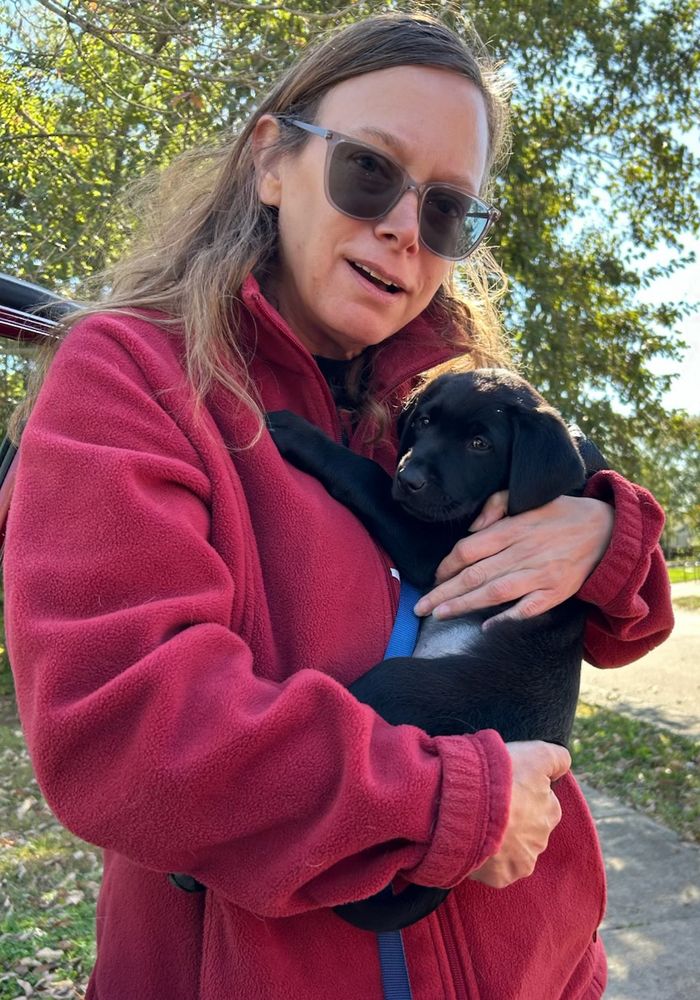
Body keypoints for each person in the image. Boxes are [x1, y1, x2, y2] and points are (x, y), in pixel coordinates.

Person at [5, 12, 673, 1000]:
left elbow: (631, 625)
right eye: (369, 170)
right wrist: (457, 802)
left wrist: (606, 533)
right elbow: (125, 732)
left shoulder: (426, 401)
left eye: (448, 211)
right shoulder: (134, 375)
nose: (405, 225)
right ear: (272, 161)